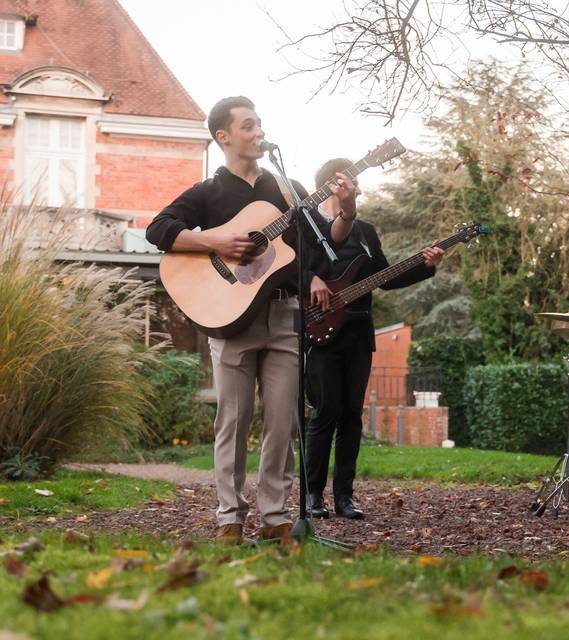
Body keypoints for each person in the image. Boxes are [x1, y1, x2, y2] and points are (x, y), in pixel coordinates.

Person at [146, 96, 354, 544]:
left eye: (260, 123)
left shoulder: (286, 189)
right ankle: (229, 519)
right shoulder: (209, 192)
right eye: (247, 125)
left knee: (283, 422)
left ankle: (276, 516)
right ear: (223, 136)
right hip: (231, 319)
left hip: (283, 315)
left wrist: (347, 209)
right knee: (233, 422)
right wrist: (217, 242)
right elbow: (158, 229)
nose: (258, 131)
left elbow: (321, 246)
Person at [302, 157, 444, 520]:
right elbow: (293, 269)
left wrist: (425, 266)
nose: (358, 184)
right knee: (325, 412)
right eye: (352, 178)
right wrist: (310, 282)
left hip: (359, 333)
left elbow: (387, 278)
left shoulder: (365, 231)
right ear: (333, 183)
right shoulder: (310, 227)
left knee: (351, 416)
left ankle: (345, 497)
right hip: (319, 333)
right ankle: (312, 496)